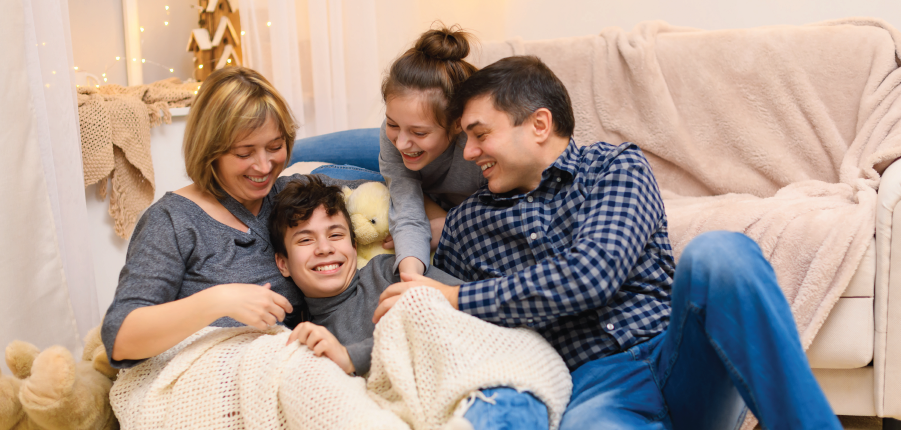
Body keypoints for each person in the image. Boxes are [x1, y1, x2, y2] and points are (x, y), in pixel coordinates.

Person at [374, 56, 842, 430]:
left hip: (677, 351)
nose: (469, 153)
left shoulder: (614, 168)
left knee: (719, 253)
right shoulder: (466, 225)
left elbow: (593, 273)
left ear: (539, 125)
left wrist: (457, 297)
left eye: (479, 136)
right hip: (596, 388)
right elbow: (433, 321)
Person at [101, 67, 368, 368]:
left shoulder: (295, 195)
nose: (265, 166)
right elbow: (119, 338)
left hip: (287, 368)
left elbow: (383, 180)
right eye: (244, 153)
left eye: (275, 147)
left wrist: (421, 220)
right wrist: (219, 302)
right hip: (211, 378)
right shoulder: (173, 221)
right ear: (209, 151)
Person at [293, 24, 486, 278]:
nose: (403, 142)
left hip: (455, 202)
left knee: (326, 175)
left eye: (419, 132)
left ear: (457, 124)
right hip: (402, 160)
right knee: (296, 154)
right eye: (393, 122)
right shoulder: (394, 138)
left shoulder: (483, 146)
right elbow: (407, 206)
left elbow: (500, 214)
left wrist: (448, 225)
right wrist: (410, 277)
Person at [266, 176, 463, 376]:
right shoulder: (308, 340)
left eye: (335, 235)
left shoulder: (390, 271)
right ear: (283, 264)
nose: (324, 248)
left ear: (354, 246)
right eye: (306, 239)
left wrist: (352, 357)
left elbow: (469, 305)